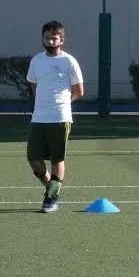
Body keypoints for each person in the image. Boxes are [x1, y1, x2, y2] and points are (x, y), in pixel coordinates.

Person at [25, 20, 84, 214]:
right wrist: (41, 105)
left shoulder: (69, 61)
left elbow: (79, 90)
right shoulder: (36, 61)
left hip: (60, 118)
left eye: (54, 38)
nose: (50, 41)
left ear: (62, 40)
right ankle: (52, 187)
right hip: (39, 117)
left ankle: (51, 198)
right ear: (42, 38)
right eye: (47, 38)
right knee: (33, 158)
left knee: (57, 159)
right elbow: (33, 85)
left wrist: (63, 104)